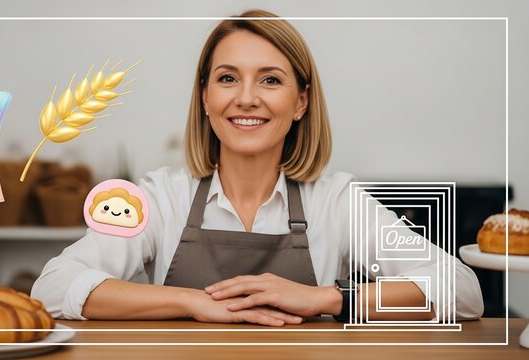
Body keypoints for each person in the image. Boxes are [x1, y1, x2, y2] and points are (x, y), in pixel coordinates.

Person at [32, 9, 483, 326]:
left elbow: (461, 290)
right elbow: (53, 287)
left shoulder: (337, 201)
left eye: (270, 79)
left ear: (301, 101)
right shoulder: (157, 197)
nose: (246, 97)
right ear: (206, 97)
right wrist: (194, 303)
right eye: (228, 78)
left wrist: (327, 298)